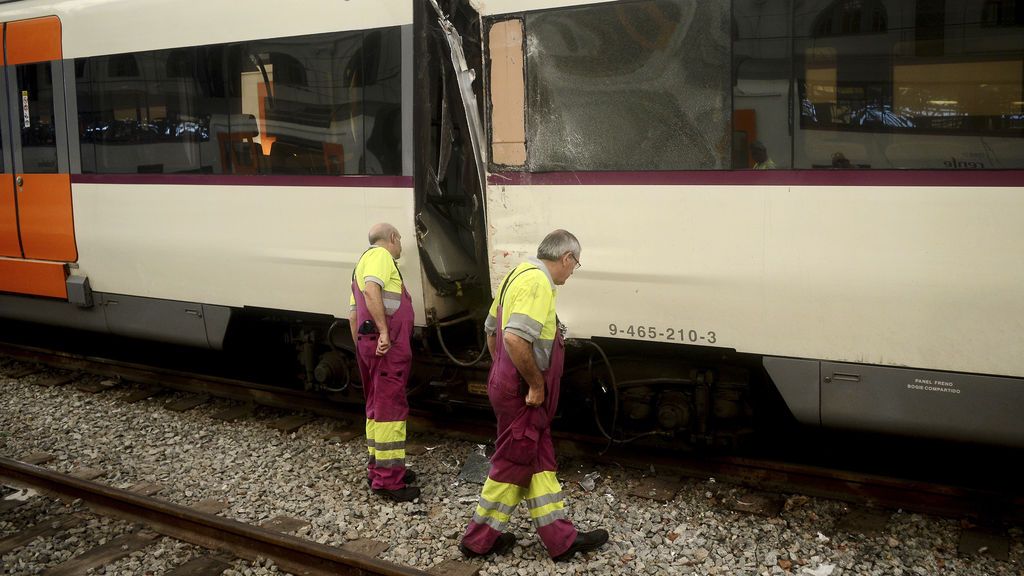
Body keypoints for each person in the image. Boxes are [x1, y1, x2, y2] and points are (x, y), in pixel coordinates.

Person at [459, 230, 609, 562]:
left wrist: (501, 371)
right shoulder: (539, 283)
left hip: (510, 387)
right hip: (523, 396)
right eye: (575, 265)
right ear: (566, 258)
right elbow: (513, 338)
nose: (572, 271)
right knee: (513, 463)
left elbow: (490, 330)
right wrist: (534, 384)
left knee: (539, 462)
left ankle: (561, 540)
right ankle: (477, 540)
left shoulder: (516, 274)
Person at [349, 223, 419, 502]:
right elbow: (371, 291)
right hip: (387, 348)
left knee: (376, 408)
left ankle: (378, 468)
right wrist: (385, 332)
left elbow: (353, 315)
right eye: (400, 240)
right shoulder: (380, 257)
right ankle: (389, 481)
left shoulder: (360, 264)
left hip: (369, 347)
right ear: (392, 238)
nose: (400, 245)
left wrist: (362, 347)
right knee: (391, 410)